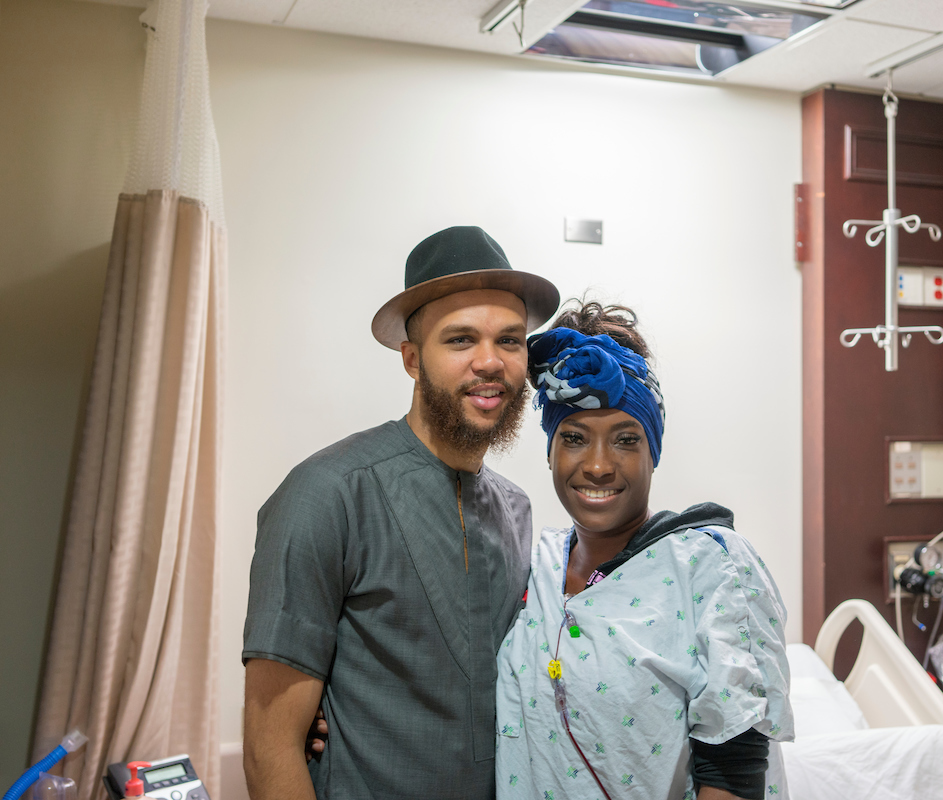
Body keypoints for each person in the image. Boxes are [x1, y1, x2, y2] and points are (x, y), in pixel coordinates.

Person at [241, 226, 560, 800]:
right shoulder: (327, 493)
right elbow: (271, 748)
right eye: (461, 340)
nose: (490, 362)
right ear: (412, 360)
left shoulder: (517, 510)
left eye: (510, 341)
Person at [494, 302, 794, 800]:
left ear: (653, 452)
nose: (597, 465)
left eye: (626, 440)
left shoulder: (711, 568)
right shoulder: (534, 564)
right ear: (550, 449)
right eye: (574, 438)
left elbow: (734, 772)